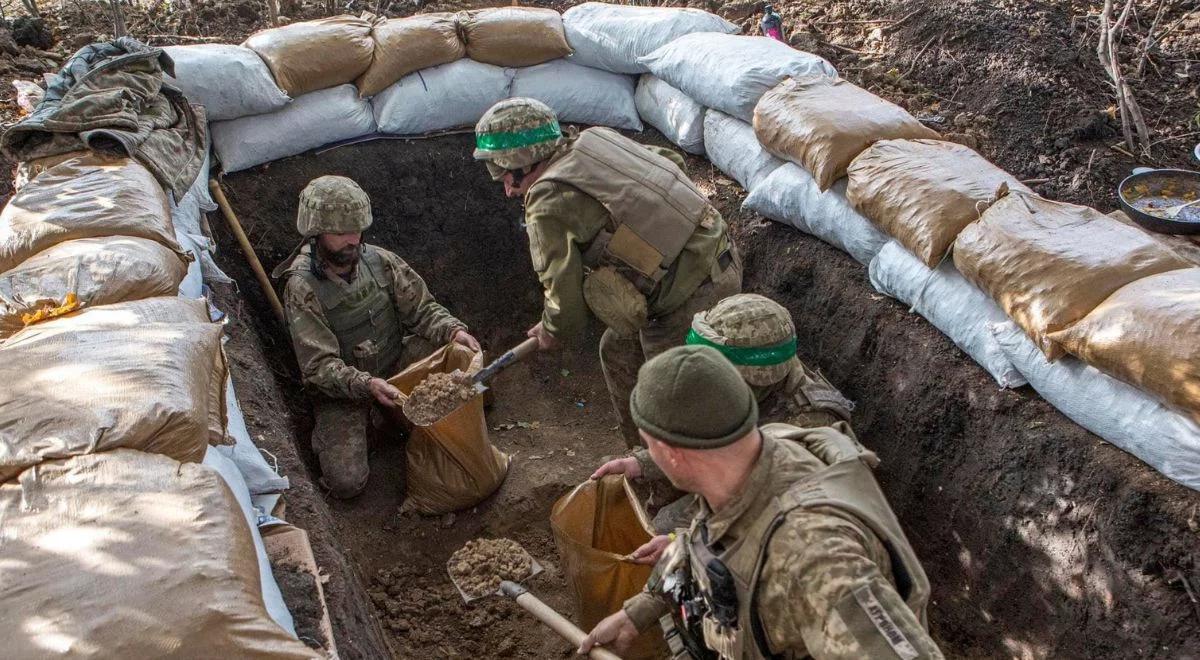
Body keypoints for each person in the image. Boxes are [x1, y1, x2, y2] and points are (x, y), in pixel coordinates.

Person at [579, 345, 942, 660]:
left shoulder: (813, 562)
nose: (649, 455)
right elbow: (709, 536)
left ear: (673, 455)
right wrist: (637, 614)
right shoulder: (753, 452)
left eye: (649, 444)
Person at [473, 97, 742, 449]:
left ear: (523, 162)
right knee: (616, 350)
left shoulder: (547, 200)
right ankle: (640, 455)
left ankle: (669, 486)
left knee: (670, 412)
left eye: (505, 175)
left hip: (690, 295)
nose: (508, 191)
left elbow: (564, 302)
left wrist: (552, 329)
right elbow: (670, 162)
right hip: (721, 255)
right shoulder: (595, 140)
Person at [273, 175, 480, 498]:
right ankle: (370, 425)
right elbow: (318, 368)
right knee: (346, 482)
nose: (352, 240)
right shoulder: (302, 289)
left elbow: (423, 310)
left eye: (356, 230)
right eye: (340, 233)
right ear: (316, 233)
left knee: (463, 365)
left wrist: (453, 330)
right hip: (346, 391)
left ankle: (391, 421)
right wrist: (366, 385)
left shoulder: (379, 261)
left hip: (397, 363)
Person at [591, 293, 855, 541]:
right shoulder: (749, 387)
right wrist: (641, 464)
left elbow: (764, 510)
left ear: (754, 377)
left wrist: (687, 543)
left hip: (783, 519)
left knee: (667, 525)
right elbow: (705, 435)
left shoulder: (808, 428)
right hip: (743, 474)